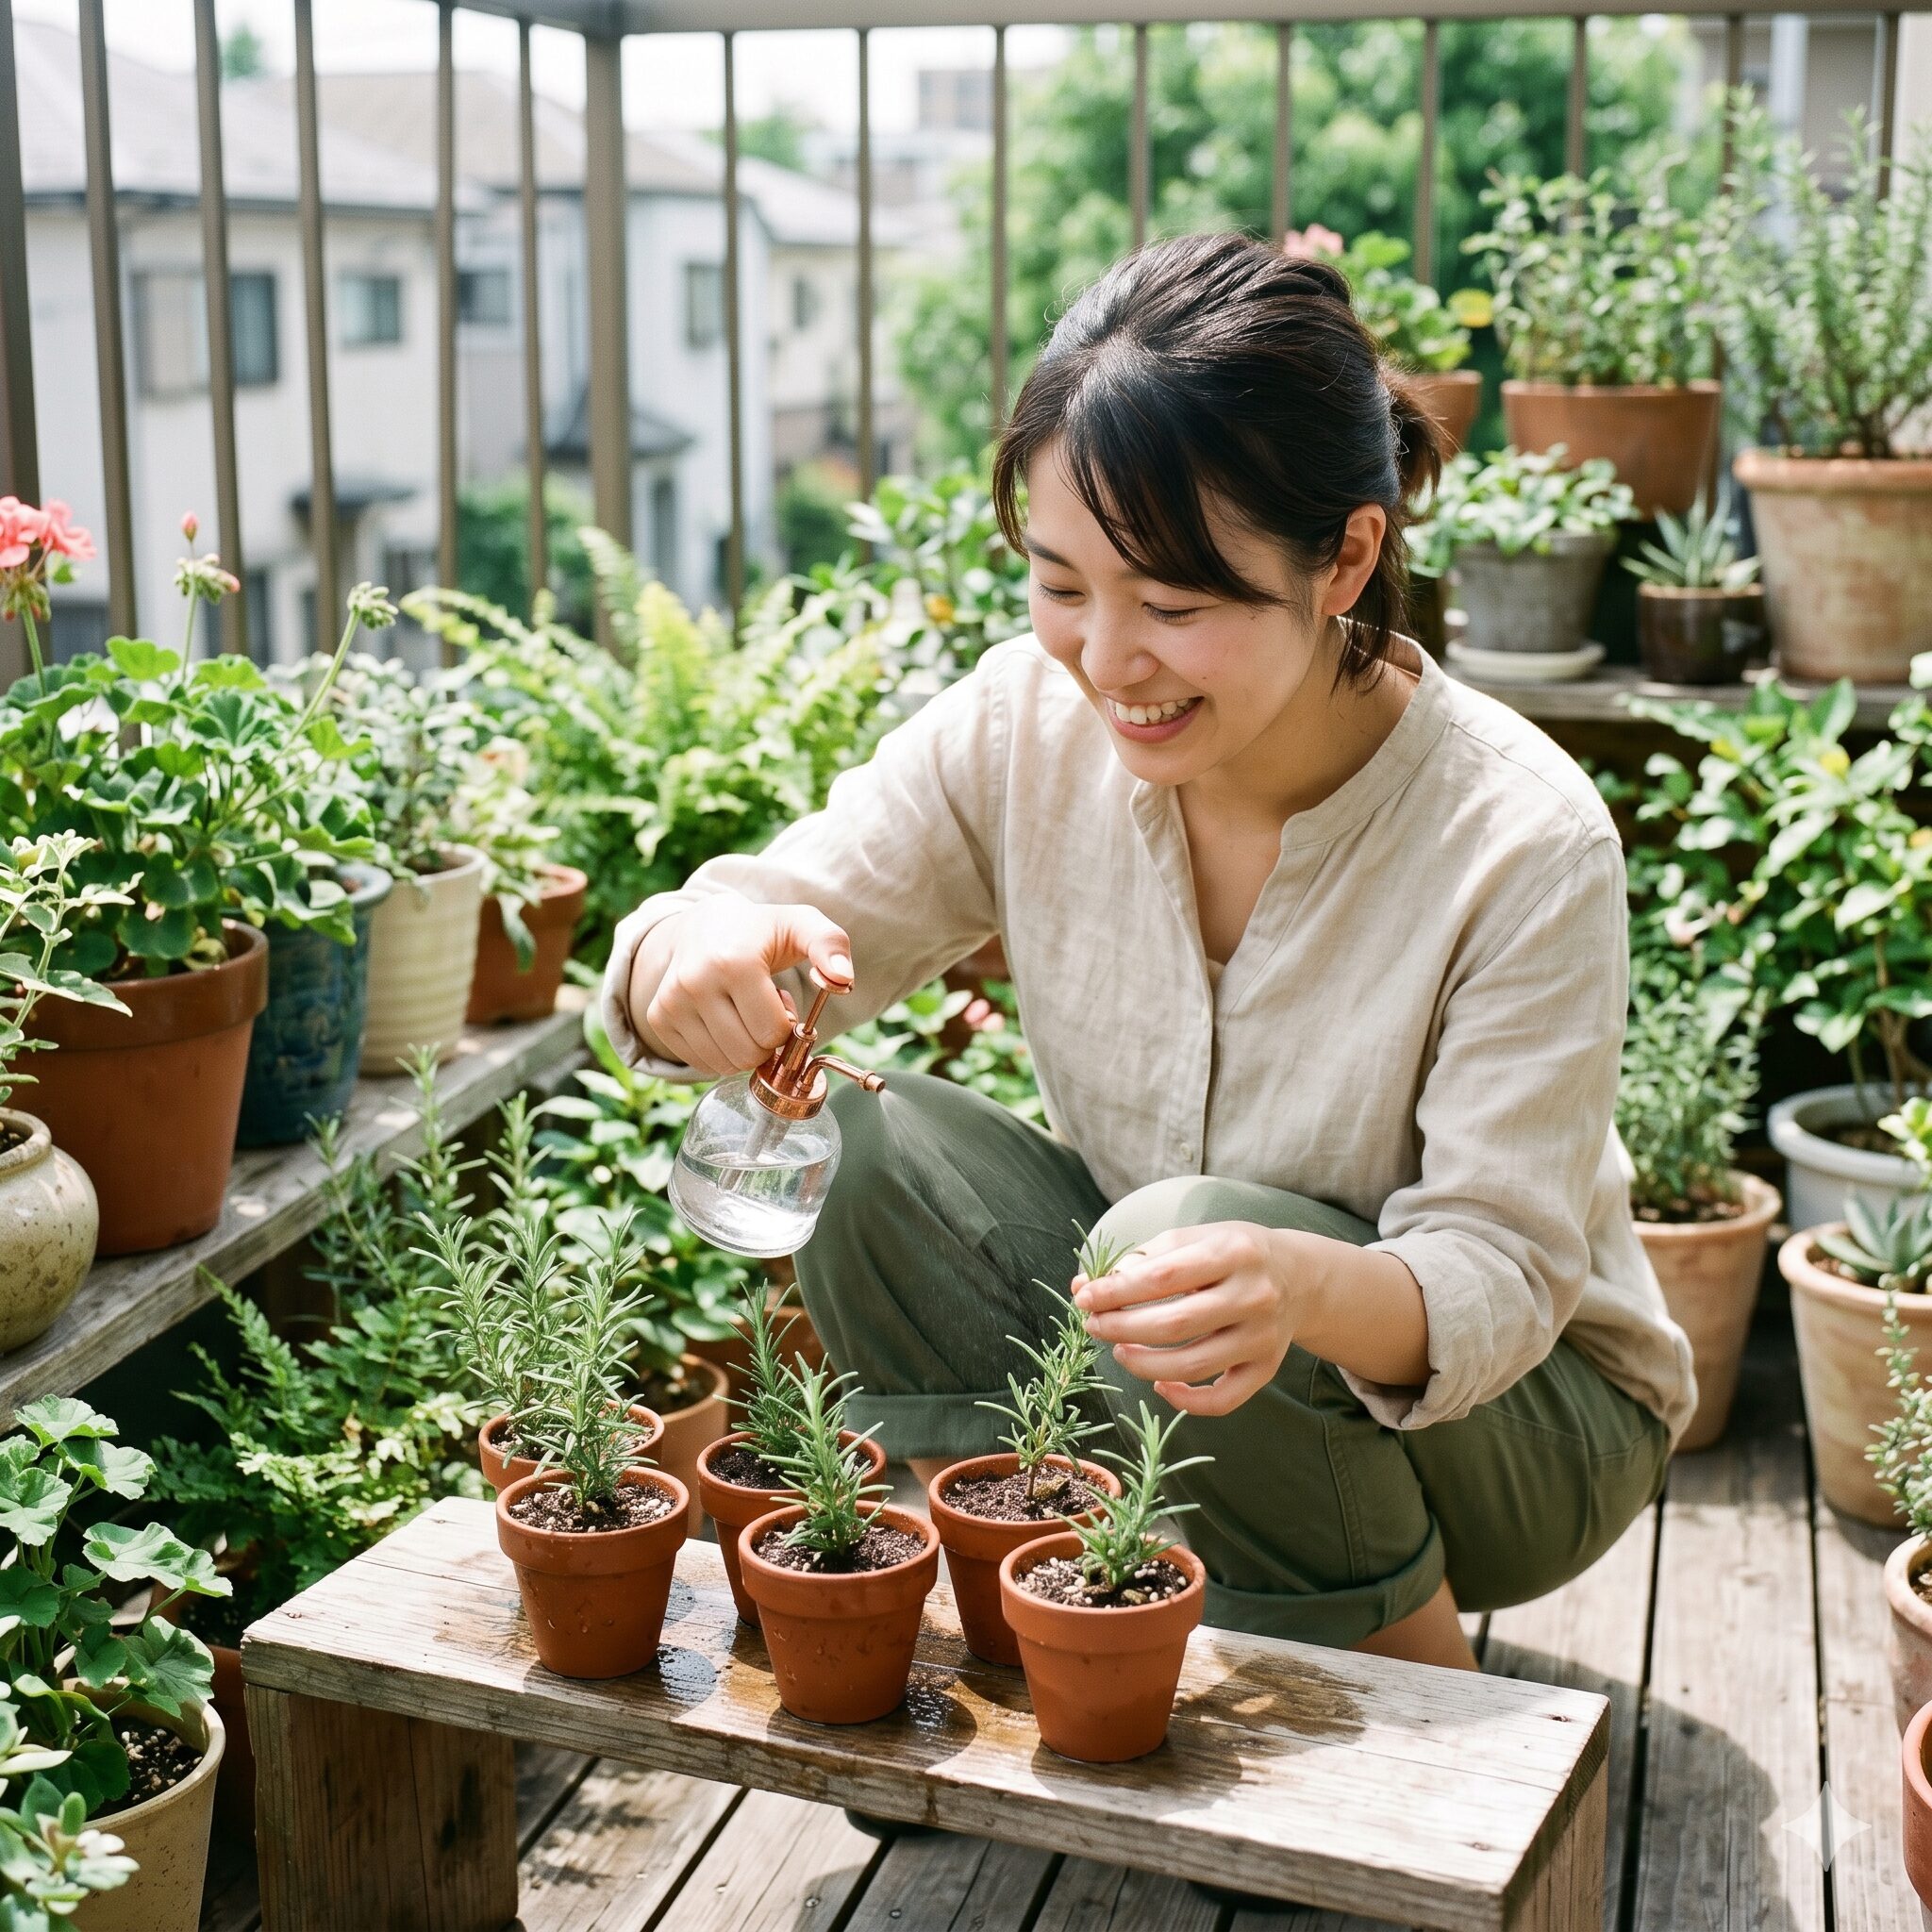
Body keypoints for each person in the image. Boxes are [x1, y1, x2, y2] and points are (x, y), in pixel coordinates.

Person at [602, 230, 1693, 1673]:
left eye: (1175, 604)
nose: (1108, 658)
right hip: (1173, 1343)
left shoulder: (1521, 835)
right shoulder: (1020, 728)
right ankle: (1013, 1643)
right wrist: (693, 946)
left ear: (1345, 557)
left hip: (1522, 1427)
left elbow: (1497, 1272)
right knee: (871, 1149)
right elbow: (775, 905)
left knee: (1174, 1250)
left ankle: (1416, 1721)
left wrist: (1297, 1285)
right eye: (1062, 585)